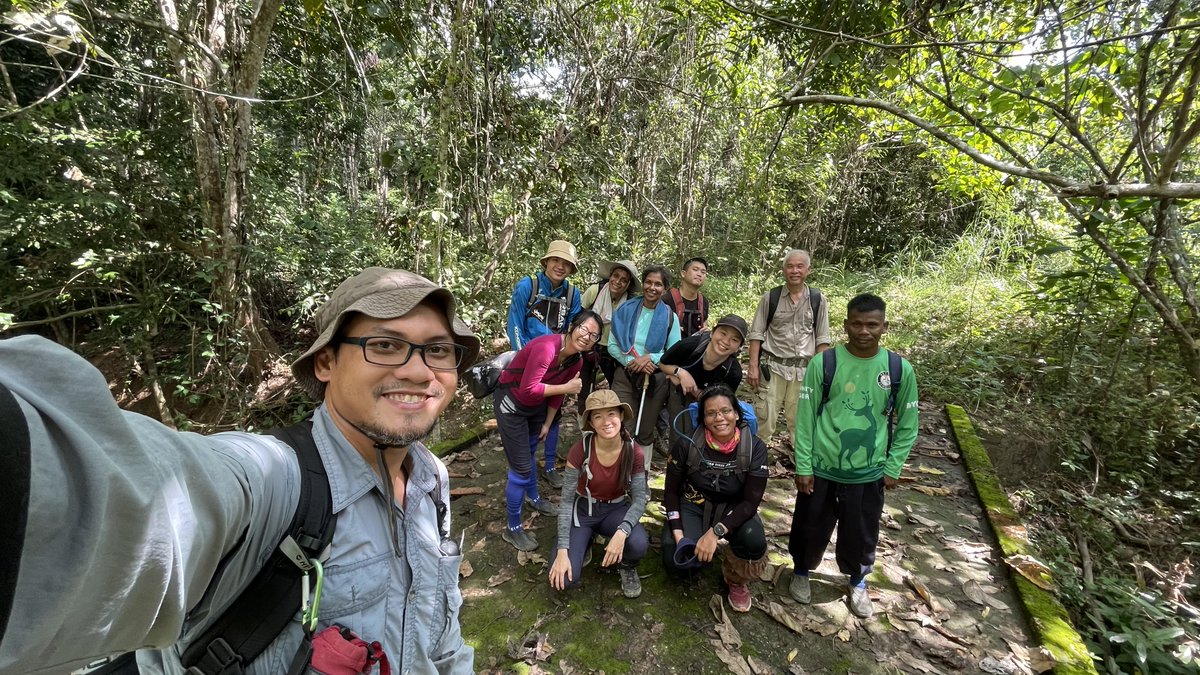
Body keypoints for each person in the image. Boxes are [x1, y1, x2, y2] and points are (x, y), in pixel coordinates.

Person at [0, 267, 477, 674]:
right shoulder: (272, 481)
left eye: (438, 350)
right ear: (327, 362)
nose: (419, 372)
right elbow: (130, 492)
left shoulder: (430, 478)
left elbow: (438, 635)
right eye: (386, 345)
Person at [787, 293, 918, 618]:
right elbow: (805, 419)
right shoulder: (824, 363)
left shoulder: (898, 370)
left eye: (872, 325)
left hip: (868, 472)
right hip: (821, 468)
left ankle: (858, 581)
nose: (864, 331)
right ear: (845, 325)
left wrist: (893, 464)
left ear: (884, 327)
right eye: (857, 324)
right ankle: (801, 571)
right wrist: (804, 464)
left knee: (861, 531)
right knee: (809, 526)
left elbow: (908, 424)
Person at [494, 310, 603, 551]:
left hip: (536, 408)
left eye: (593, 335)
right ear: (572, 327)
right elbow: (527, 390)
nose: (586, 337)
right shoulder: (547, 348)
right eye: (584, 329)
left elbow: (558, 395)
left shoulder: (577, 359)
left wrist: (547, 423)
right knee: (521, 468)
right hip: (511, 403)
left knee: (531, 453)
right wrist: (568, 386)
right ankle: (512, 528)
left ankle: (534, 498)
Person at [661, 385, 770, 612]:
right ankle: (697, 551)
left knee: (753, 540)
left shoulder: (754, 448)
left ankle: (736, 578)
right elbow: (671, 493)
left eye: (726, 411)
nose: (719, 418)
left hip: (735, 508)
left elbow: (751, 503)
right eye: (711, 413)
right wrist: (680, 537)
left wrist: (716, 532)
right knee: (677, 563)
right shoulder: (687, 444)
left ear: (737, 414)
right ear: (702, 418)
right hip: (694, 503)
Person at [548, 390, 649, 598]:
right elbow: (566, 502)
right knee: (564, 580)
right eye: (598, 416)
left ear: (621, 415)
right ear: (591, 423)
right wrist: (562, 550)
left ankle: (627, 566)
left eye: (611, 413)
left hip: (616, 509)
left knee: (638, 543)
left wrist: (622, 532)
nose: (606, 421)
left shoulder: (633, 451)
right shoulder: (581, 450)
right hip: (583, 509)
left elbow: (640, 499)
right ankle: (584, 540)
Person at [506, 239, 584, 489]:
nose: (560, 267)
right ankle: (524, 470)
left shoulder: (572, 295)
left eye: (566, 264)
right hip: (529, 360)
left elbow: (573, 328)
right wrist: (520, 356)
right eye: (555, 261)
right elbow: (515, 322)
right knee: (528, 413)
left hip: (557, 361)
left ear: (571, 269)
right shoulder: (528, 286)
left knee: (554, 412)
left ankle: (549, 466)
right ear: (546, 262)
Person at [746, 249, 831, 447]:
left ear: (808, 270)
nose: (795, 271)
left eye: (800, 266)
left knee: (801, 420)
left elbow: (822, 339)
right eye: (790, 266)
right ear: (783, 270)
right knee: (765, 417)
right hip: (772, 367)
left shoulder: (818, 300)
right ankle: (758, 463)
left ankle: (802, 467)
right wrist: (753, 366)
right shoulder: (771, 297)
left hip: (804, 370)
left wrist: (821, 373)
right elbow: (756, 334)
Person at [606, 265, 681, 447]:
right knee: (621, 425)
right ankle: (619, 470)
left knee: (645, 430)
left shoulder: (670, 317)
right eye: (648, 282)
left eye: (658, 284)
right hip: (625, 374)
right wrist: (633, 362)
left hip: (654, 379)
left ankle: (641, 471)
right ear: (642, 284)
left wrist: (651, 359)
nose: (652, 288)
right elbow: (612, 345)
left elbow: (675, 352)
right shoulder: (625, 310)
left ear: (665, 289)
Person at [659, 314, 747, 438]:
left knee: (688, 435)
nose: (726, 342)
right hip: (671, 388)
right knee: (659, 381)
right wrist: (681, 373)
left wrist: (691, 387)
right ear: (712, 333)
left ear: (739, 347)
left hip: (701, 402)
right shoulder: (691, 345)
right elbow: (662, 363)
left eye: (734, 340)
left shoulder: (733, 372)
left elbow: (719, 404)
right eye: (723, 333)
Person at [578, 260, 640, 408]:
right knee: (584, 386)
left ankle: (614, 421)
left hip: (616, 349)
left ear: (628, 285)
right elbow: (578, 316)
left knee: (617, 387)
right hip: (590, 345)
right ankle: (584, 422)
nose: (618, 282)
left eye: (624, 280)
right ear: (610, 276)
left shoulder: (631, 302)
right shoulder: (595, 291)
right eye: (616, 276)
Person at [663, 256, 710, 338]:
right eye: (695, 270)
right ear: (683, 274)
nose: (699, 274)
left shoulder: (703, 302)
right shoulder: (667, 299)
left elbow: (704, 325)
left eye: (703, 272)